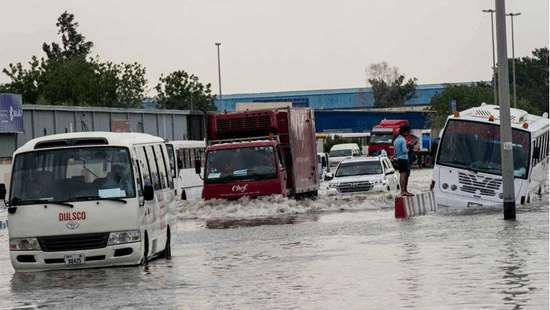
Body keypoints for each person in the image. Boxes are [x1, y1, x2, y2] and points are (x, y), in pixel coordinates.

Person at [394, 125, 413, 196]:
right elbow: (404, 150)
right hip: (404, 159)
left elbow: (395, 152)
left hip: (399, 158)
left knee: (402, 174)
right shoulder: (403, 140)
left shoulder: (396, 140)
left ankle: (403, 191)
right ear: (404, 132)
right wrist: (409, 147)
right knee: (403, 175)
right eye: (407, 132)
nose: (408, 134)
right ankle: (403, 191)